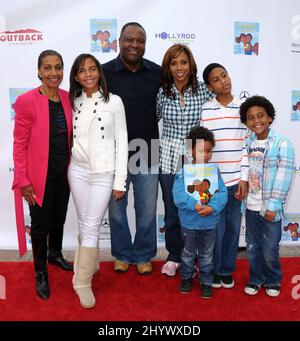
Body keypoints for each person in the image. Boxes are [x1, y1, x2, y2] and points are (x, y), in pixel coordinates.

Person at [12, 50, 73, 300]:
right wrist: (23, 180)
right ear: (39, 71)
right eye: (47, 68)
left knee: (58, 219)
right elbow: (19, 143)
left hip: (64, 173)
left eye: (58, 67)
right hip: (38, 176)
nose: (53, 73)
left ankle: (55, 253)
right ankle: (40, 272)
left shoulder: (69, 98)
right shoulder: (26, 101)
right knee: (39, 226)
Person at [68, 54, 128, 308]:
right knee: (84, 223)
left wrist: (120, 180)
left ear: (99, 73)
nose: (89, 74)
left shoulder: (114, 101)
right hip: (78, 171)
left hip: (104, 174)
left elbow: (122, 141)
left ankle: (81, 282)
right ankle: (90, 265)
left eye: (93, 69)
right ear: (76, 76)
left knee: (91, 225)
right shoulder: (72, 101)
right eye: (83, 71)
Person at [102, 22, 161, 275]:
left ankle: (145, 254)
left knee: (147, 210)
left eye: (140, 41)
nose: (134, 45)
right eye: (129, 39)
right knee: (116, 211)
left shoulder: (158, 73)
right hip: (114, 153)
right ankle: (123, 254)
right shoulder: (104, 73)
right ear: (119, 42)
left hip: (147, 149)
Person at [157, 44, 214, 277]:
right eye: (174, 63)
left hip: (196, 165)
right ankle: (174, 255)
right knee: (172, 212)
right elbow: (151, 119)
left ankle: (198, 255)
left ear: (191, 65)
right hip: (168, 162)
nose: (179, 68)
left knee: (197, 211)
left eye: (183, 62)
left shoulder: (204, 91)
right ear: (168, 67)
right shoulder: (162, 92)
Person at [239, 95, 295, 297]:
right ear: (246, 123)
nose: (256, 121)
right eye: (251, 118)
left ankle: (273, 279)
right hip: (251, 207)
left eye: (261, 115)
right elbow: (243, 170)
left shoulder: (282, 144)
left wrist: (273, 205)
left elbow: (284, 176)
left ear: (270, 117)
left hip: (270, 209)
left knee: (270, 250)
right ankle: (256, 279)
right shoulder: (247, 143)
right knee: (253, 247)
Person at [200, 63, 249, 288]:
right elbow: (203, 147)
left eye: (224, 75)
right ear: (210, 86)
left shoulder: (243, 108)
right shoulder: (206, 110)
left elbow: (247, 146)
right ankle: (213, 269)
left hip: (236, 182)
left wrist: (244, 178)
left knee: (231, 228)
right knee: (214, 230)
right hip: (215, 183)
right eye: (216, 79)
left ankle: (226, 269)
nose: (223, 81)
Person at [173, 126, 228, 298]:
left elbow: (222, 193)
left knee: (207, 255)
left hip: (209, 223)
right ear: (191, 151)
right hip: (189, 223)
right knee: (188, 254)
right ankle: (186, 278)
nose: (206, 155)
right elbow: (179, 195)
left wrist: (212, 207)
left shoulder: (214, 172)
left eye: (209, 151)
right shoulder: (183, 172)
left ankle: (206, 281)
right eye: (201, 151)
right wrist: (195, 205)